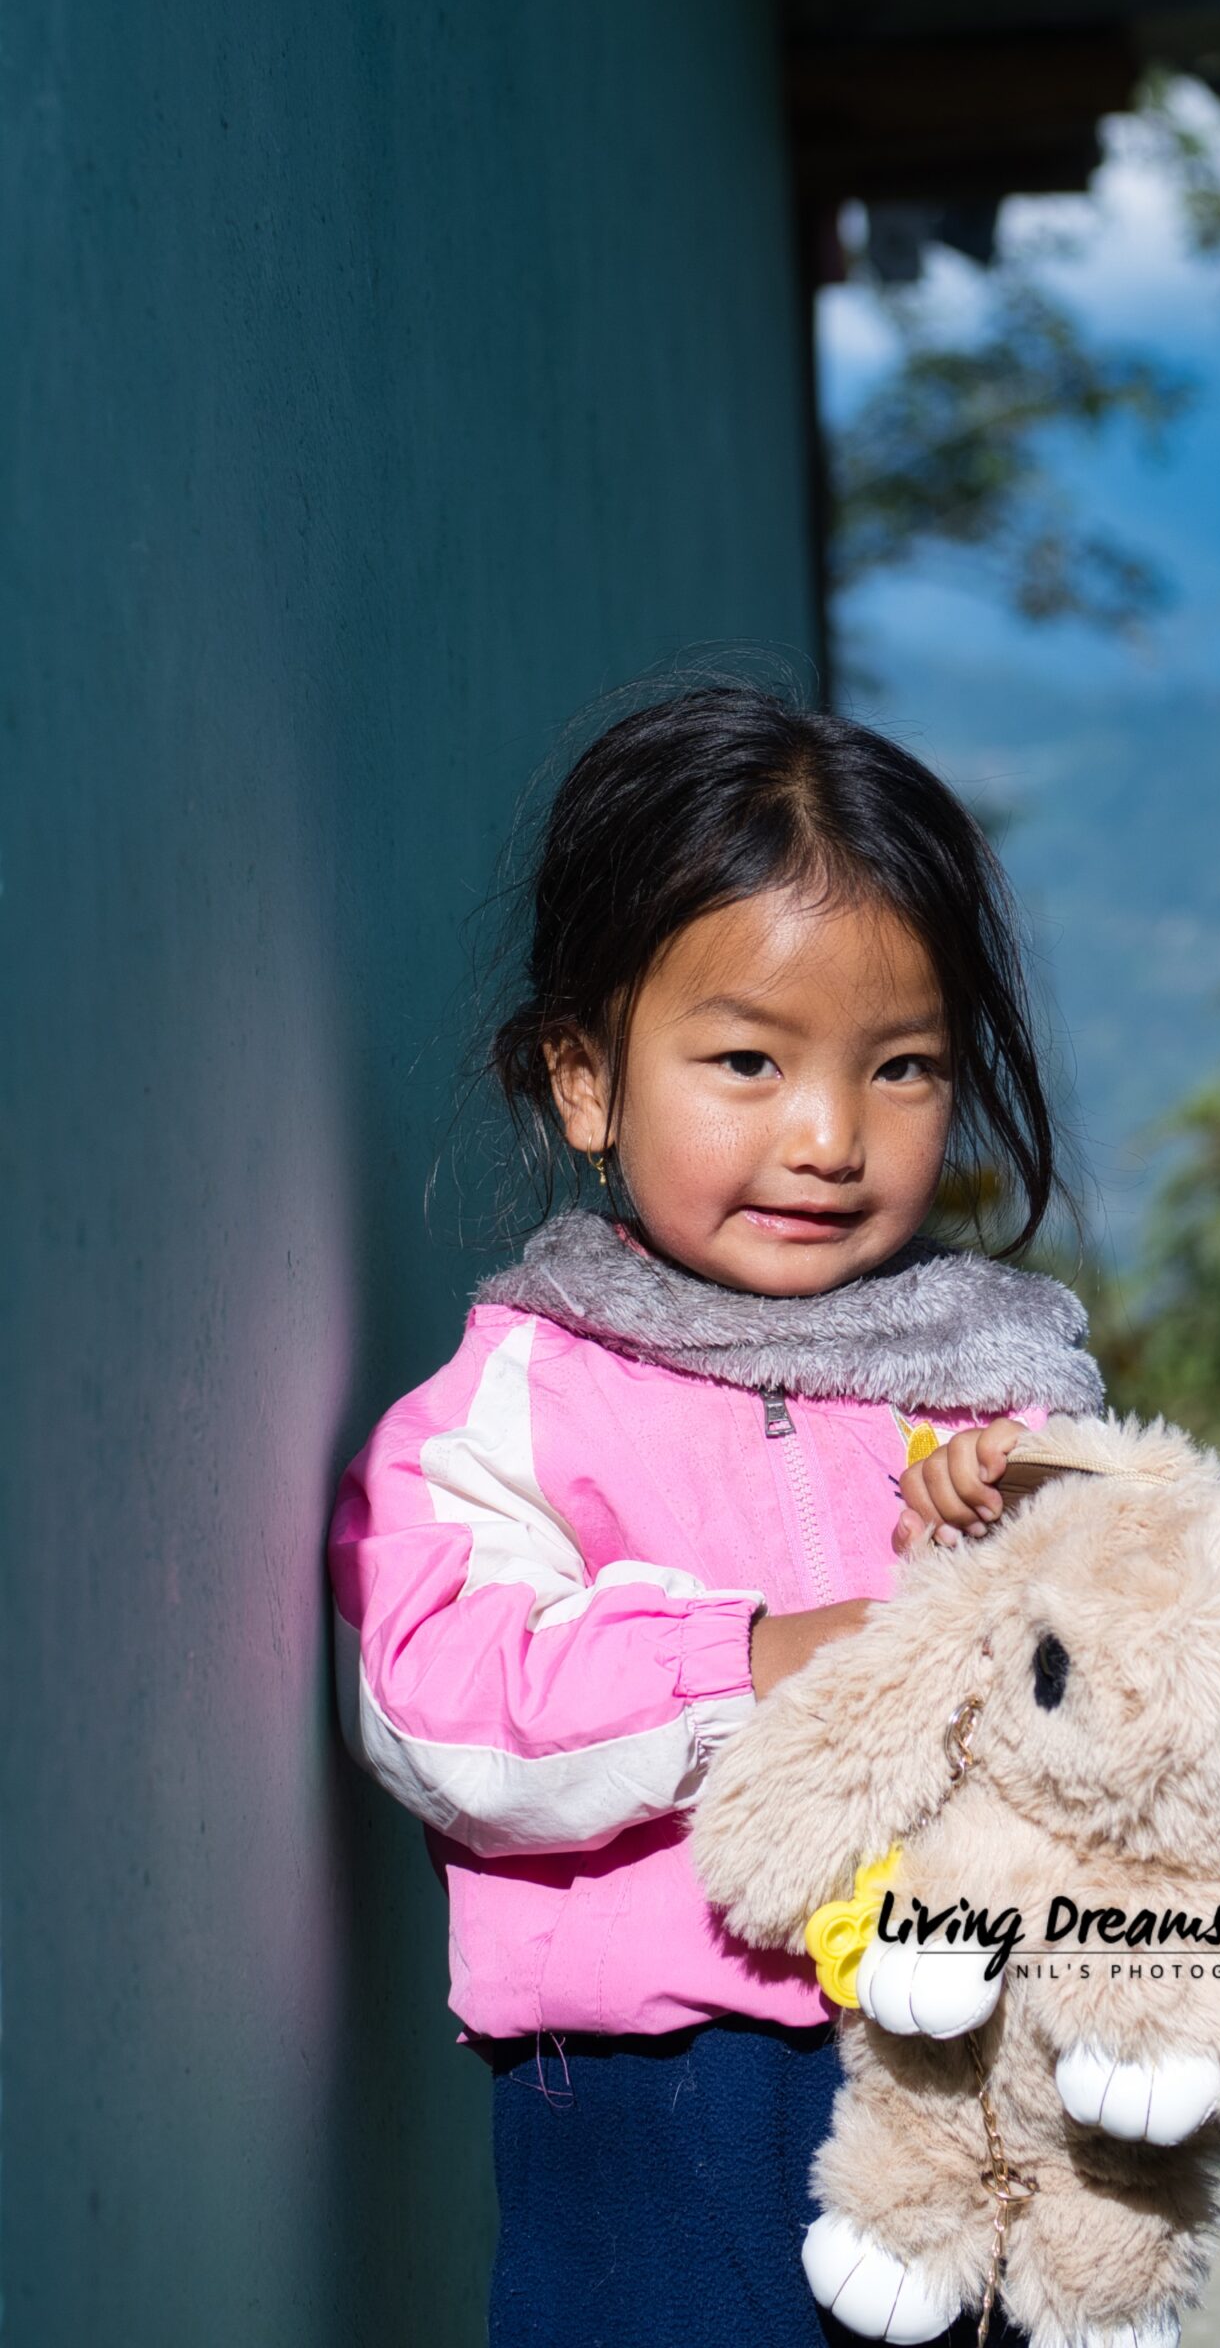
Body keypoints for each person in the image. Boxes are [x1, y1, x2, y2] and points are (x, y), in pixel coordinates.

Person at [328, 684, 1104, 2348]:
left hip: (973, 2087)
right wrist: (757, 1659)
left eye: (901, 1069)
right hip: (654, 2109)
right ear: (583, 1077)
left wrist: (1029, 1565)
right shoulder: (529, 1396)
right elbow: (442, 1710)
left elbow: (1132, 1712)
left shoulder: (996, 1391)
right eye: (747, 1060)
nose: (828, 1138)